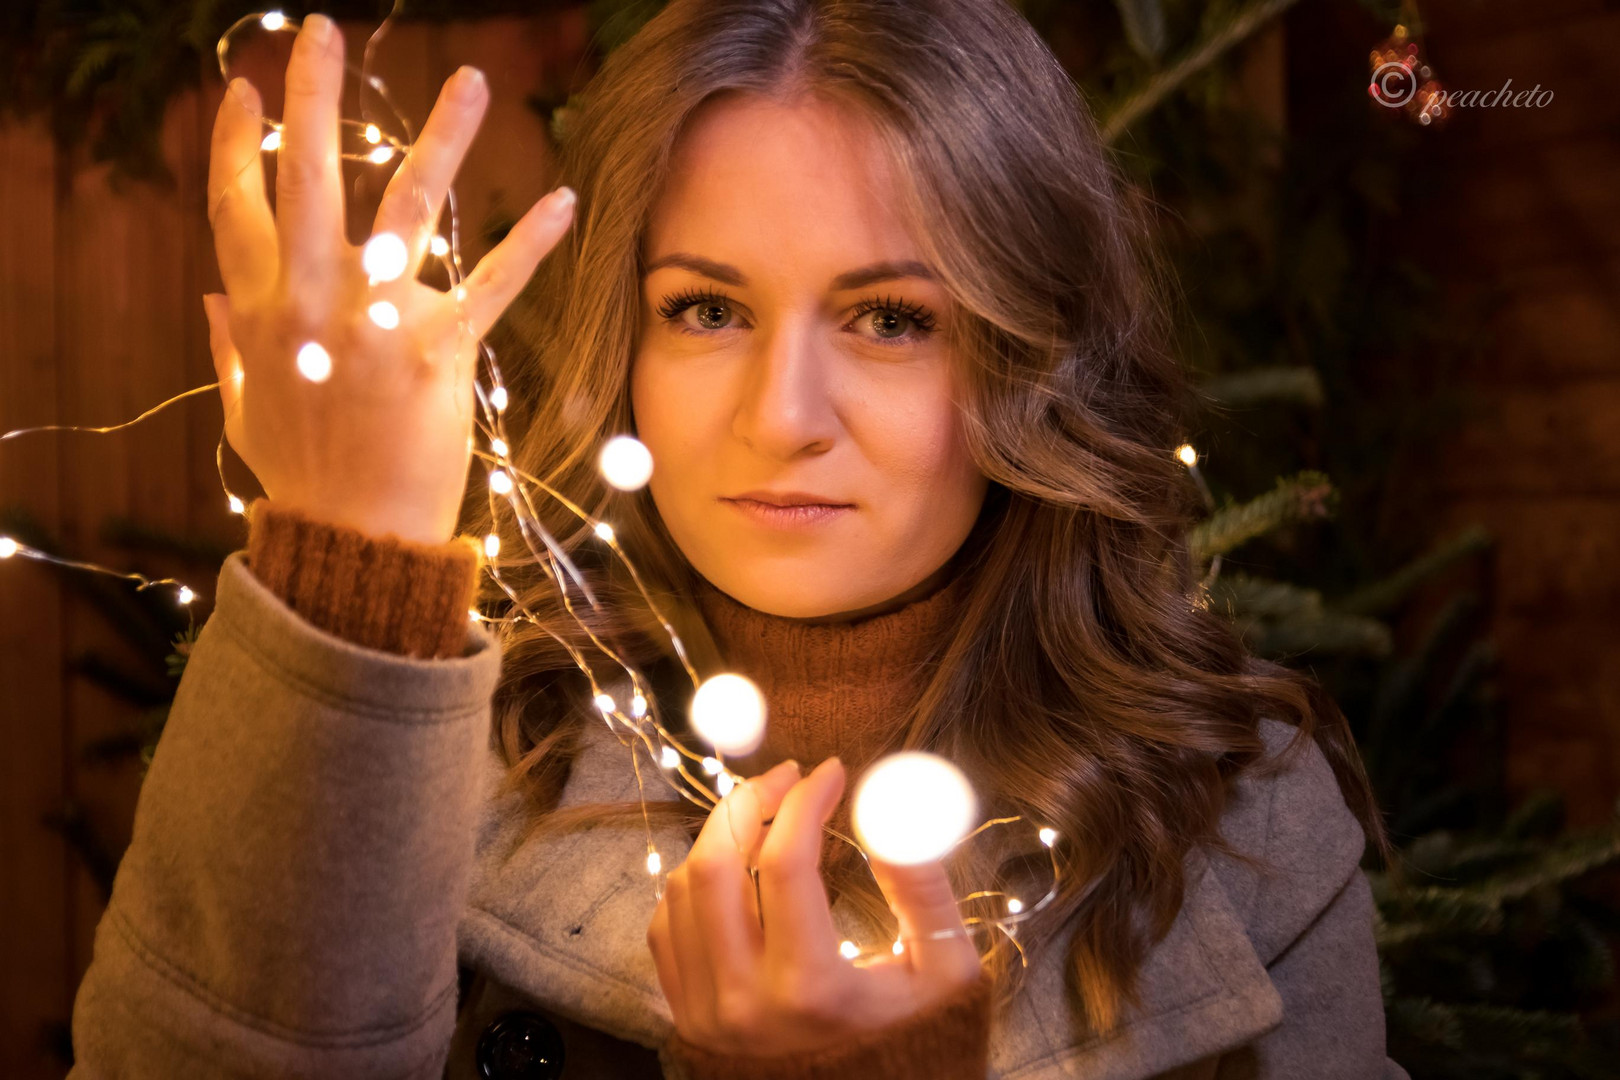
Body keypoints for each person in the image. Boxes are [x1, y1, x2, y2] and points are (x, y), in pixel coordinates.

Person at [68, 1, 1412, 1077]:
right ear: (625, 338)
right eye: (709, 309)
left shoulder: (1236, 815)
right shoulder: (449, 759)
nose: (783, 419)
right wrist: (348, 576)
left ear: (1028, 359)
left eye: (891, 319)